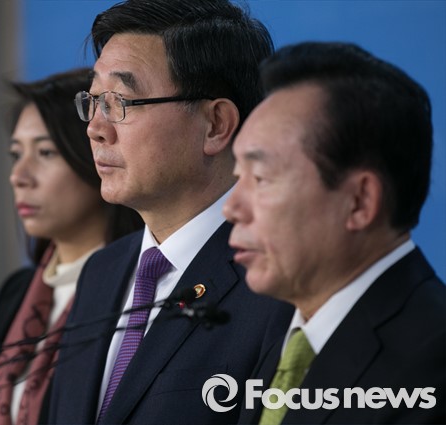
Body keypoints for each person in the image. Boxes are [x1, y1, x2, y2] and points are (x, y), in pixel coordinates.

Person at [48, 1, 294, 424]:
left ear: (216, 125)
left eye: (121, 101)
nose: (95, 128)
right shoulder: (101, 273)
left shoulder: (280, 285)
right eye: (94, 100)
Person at [225, 42, 445, 424]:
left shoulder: (433, 363)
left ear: (359, 201)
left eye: (260, 178)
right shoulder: (285, 339)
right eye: (236, 176)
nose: (231, 208)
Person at [0, 68, 143, 425]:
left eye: (45, 152)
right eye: (16, 154)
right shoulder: (17, 293)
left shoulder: (137, 290)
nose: (19, 177)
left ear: (95, 155)